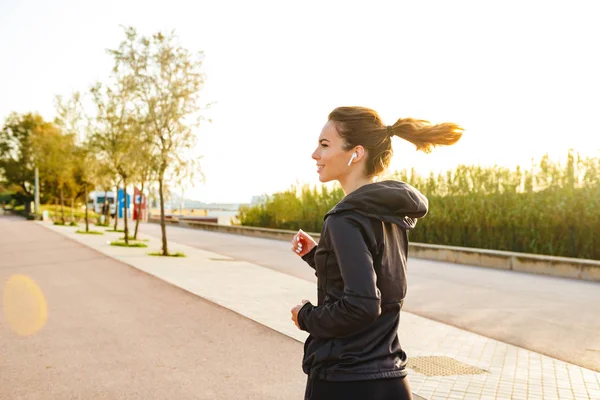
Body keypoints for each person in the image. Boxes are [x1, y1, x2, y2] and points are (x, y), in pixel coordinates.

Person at [290, 106, 463, 400]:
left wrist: (306, 317)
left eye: (324, 145)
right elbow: (376, 284)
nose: (315, 155)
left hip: (345, 380)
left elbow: (363, 305)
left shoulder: (344, 218)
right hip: (390, 381)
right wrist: (317, 255)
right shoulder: (389, 214)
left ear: (355, 153)